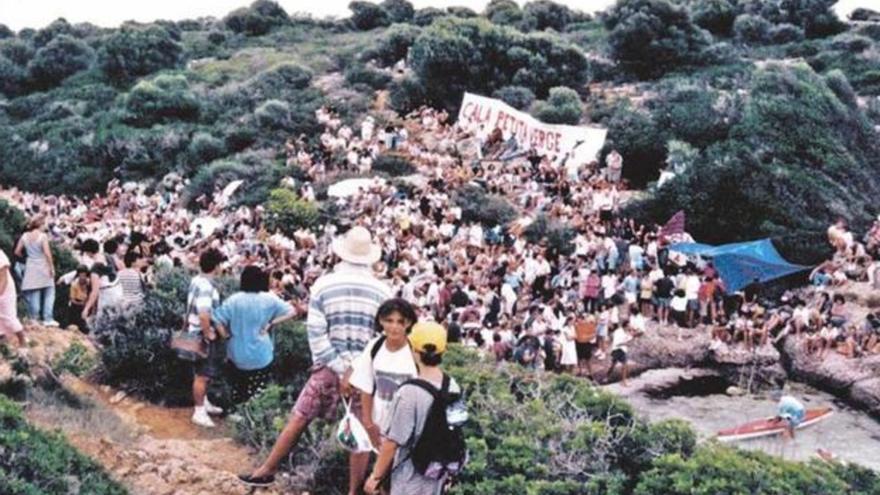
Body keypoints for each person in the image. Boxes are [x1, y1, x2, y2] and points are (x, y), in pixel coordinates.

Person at [241, 227, 392, 492]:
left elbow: (316, 334)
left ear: (341, 254)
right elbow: (382, 339)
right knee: (361, 430)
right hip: (364, 376)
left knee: (300, 416)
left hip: (327, 367)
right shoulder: (383, 292)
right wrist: (355, 371)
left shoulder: (323, 285)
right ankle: (354, 491)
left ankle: (266, 470)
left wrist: (338, 366)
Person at [364, 321, 461, 495]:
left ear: (414, 351)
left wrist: (375, 477)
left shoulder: (409, 392)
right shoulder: (453, 386)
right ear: (443, 351)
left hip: (409, 477)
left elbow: (392, 442)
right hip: (437, 475)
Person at [212, 265, 296, 404]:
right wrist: (271, 322)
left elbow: (217, 319)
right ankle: (253, 417)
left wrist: (225, 336)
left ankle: (237, 411)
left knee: (238, 389)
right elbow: (292, 311)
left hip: (237, 353)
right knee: (257, 393)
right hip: (261, 354)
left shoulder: (234, 300)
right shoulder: (269, 299)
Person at [350, 298, 419, 450]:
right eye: (389, 320)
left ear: (409, 323)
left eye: (401, 322)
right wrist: (368, 423)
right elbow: (366, 387)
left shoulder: (415, 351)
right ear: (381, 321)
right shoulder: (374, 347)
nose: (394, 327)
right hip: (379, 425)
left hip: (408, 429)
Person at [185, 248, 226, 428]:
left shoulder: (196, 280)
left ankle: (204, 403)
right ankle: (199, 411)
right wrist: (208, 332)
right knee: (203, 374)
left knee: (202, 373)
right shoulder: (207, 287)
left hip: (192, 330)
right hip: (201, 334)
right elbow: (204, 313)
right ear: (216, 266)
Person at [15, 216, 58, 326]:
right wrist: (52, 267)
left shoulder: (25, 236)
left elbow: (17, 251)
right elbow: (47, 254)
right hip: (43, 264)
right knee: (50, 290)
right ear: (40, 224)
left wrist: (27, 258)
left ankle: (34, 318)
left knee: (34, 291)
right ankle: (48, 318)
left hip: (31, 265)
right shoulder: (43, 236)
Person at [0, 248, 26, 347]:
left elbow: (3, 279)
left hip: (5, 289)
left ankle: (22, 341)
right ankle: (2, 340)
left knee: (8, 317)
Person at [67, 265, 91, 333]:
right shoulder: (74, 284)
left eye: (84, 275)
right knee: (75, 325)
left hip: (87, 304)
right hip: (76, 306)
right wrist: (81, 303)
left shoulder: (89, 283)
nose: (83, 277)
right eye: (81, 275)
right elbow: (72, 299)